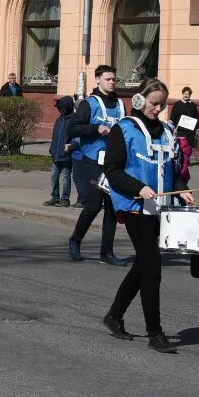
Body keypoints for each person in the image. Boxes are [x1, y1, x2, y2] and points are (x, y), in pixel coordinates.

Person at [100, 78, 193, 353]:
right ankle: (155, 333)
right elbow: (112, 170)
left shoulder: (166, 131)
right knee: (152, 268)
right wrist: (138, 187)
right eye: (154, 103)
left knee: (142, 264)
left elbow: (172, 170)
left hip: (160, 208)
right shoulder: (124, 129)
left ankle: (114, 316)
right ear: (140, 100)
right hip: (133, 206)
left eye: (162, 104)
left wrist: (181, 191)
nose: (158, 108)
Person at [68, 65, 128, 266]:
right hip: (92, 161)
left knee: (112, 208)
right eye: (108, 79)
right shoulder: (89, 103)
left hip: (113, 164)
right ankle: (75, 241)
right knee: (94, 205)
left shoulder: (120, 104)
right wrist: (96, 128)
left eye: (114, 79)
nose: (112, 82)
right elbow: (73, 127)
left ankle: (107, 252)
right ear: (98, 80)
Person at [46, 95, 76, 206]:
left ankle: (65, 199)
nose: (61, 110)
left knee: (65, 177)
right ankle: (55, 196)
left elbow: (75, 137)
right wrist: (52, 148)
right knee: (54, 175)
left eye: (63, 108)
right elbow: (55, 136)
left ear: (68, 107)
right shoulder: (59, 120)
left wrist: (70, 146)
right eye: (60, 108)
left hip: (66, 154)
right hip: (56, 153)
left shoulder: (73, 120)